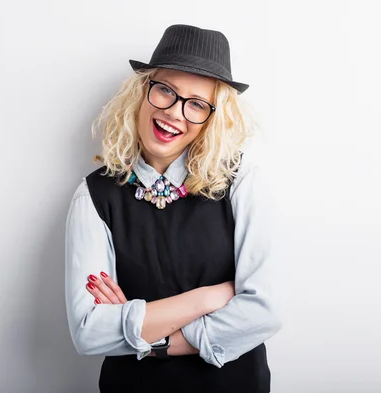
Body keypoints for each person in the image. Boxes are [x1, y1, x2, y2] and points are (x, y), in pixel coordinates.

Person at [64, 24, 283, 392]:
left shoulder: (242, 181)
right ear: (142, 92)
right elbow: (88, 332)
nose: (175, 112)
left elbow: (264, 312)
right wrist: (209, 297)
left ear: (212, 118)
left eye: (197, 103)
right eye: (165, 90)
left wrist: (153, 341)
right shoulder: (93, 195)